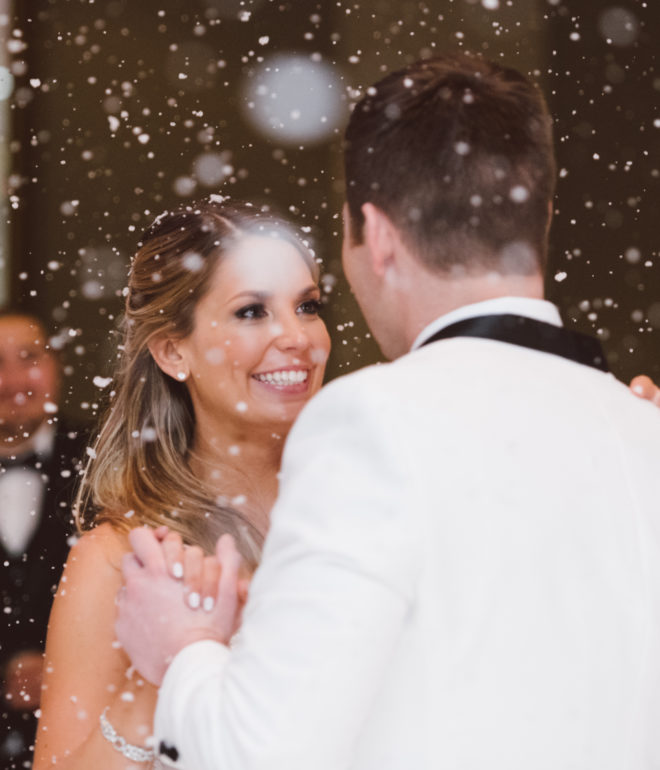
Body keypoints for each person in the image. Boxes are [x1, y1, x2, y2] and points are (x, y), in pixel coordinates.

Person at [116, 53, 660, 770]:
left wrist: (185, 654)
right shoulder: (638, 427)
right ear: (544, 217)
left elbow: (263, 754)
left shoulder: (371, 421)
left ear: (374, 235)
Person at [31, 200, 331, 769]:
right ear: (173, 351)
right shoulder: (118, 560)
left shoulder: (368, 510)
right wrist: (162, 678)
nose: (297, 337)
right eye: (251, 312)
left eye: (308, 305)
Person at [0, 310, 86, 770]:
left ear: (55, 364)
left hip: (84, 733)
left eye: (29, 357)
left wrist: (60, 668)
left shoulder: (109, 460)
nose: (14, 379)